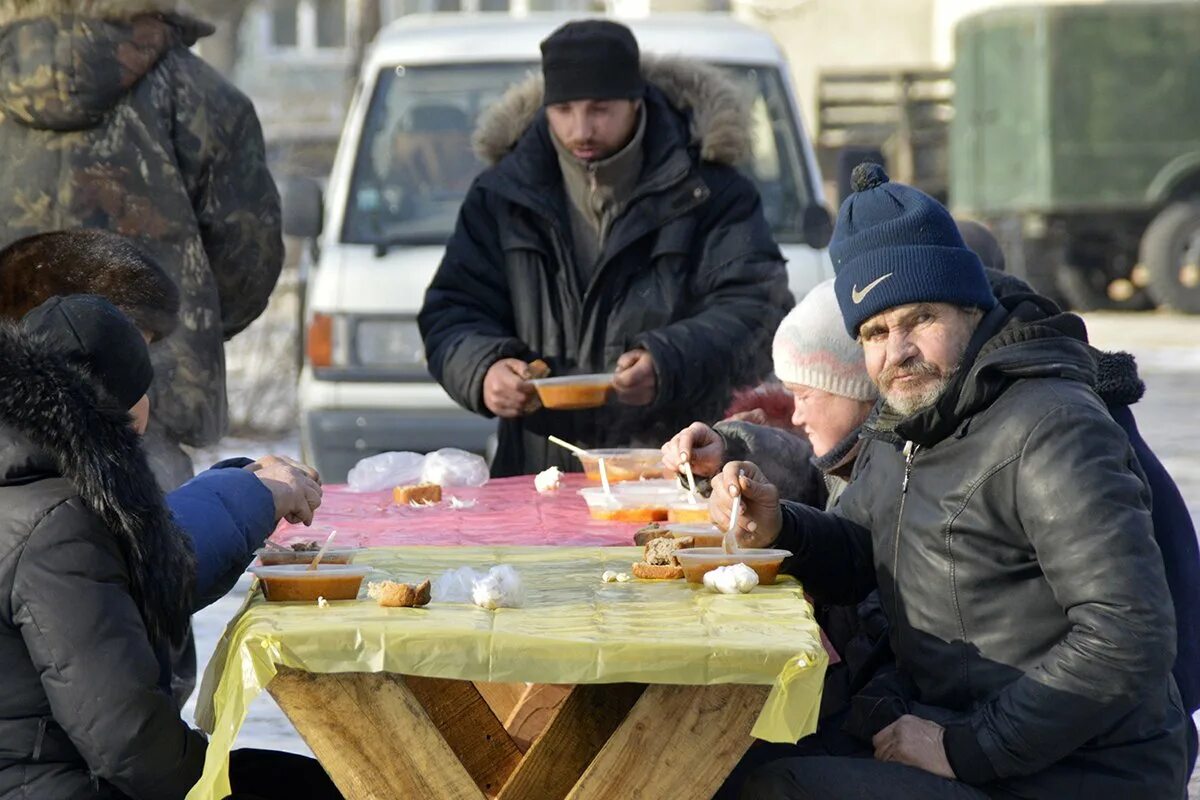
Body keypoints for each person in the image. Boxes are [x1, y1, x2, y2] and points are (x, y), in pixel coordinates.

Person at [711, 164, 1188, 799]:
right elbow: (863, 550)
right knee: (732, 750)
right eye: (875, 332)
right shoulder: (912, 420)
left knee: (776, 790)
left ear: (970, 307)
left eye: (920, 318)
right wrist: (780, 525)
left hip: (1073, 772)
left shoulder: (1050, 426)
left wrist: (965, 749)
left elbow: (1128, 636)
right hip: (953, 728)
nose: (897, 350)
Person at [0, 296, 340, 800]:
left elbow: (155, 553)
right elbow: (129, 742)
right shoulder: (59, 526)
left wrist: (252, 492)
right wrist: (212, 787)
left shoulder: (36, 490)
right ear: (128, 410)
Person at [419, 19, 792, 477]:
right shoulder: (501, 195)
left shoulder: (710, 191)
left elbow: (758, 307)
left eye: (600, 109)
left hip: (676, 468)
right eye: (565, 110)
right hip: (540, 477)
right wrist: (485, 369)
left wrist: (668, 360)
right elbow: (453, 310)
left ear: (636, 101)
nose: (581, 130)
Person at [0, 229, 320, 706]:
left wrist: (242, 486)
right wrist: (255, 494)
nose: (147, 398)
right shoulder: (50, 517)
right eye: (132, 352)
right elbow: (132, 572)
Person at [0, 1, 284, 491]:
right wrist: (170, 333)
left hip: (7, 399)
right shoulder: (203, 97)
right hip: (151, 402)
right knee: (159, 553)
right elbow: (247, 258)